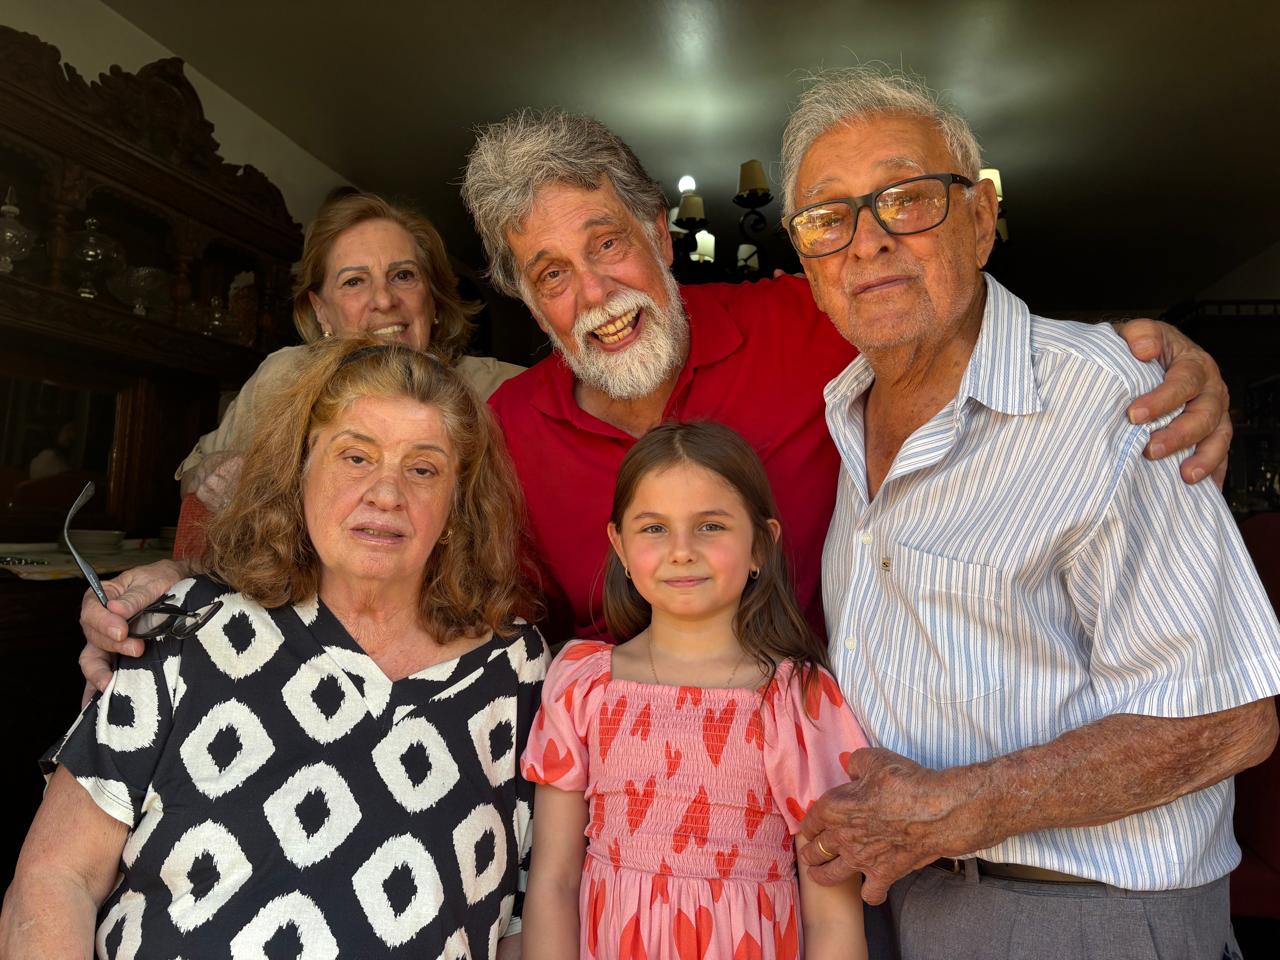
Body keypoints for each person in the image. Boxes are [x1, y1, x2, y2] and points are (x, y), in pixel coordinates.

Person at [80, 112, 1231, 687]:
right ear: (527, 302)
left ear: (661, 238)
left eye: (608, 244)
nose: (594, 293)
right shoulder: (506, 429)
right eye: (550, 274)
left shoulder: (803, 319)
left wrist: (1144, 353)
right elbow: (443, 602)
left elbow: (946, 321)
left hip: (847, 762)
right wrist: (198, 610)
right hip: (637, 797)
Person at [774, 68, 1280, 960]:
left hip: (1084, 914)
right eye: (828, 218)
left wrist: (954, 809)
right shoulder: (844, 412)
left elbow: (1228, 720)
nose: (868, 241)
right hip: (900, 899)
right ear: (808, 267)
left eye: (907, 198)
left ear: (980, 218)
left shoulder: (1106, 399)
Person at [0, 339, 546, 958]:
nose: (386, 493)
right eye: (356, 457)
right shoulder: (190, 625)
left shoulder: (515, 669)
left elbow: (522, 923)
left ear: (457, 501)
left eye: (423, 469)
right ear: (301, 470)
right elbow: (55, 878)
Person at [520, 421, 868, 959]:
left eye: (710, 526)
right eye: (654, 528)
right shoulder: (584, 685)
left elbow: (832, 917)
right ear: (620, 546)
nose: (681, 551)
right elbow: (553, 882)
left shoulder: (798, 701)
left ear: (761, 545)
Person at [176, 190, 523, 513]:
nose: (384, 300)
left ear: (434, 300)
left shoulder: (502, 390)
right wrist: (212, 473)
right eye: (354, 281)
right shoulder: (282, 378)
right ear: (321, 311)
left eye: (403, 275)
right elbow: (195, 475)